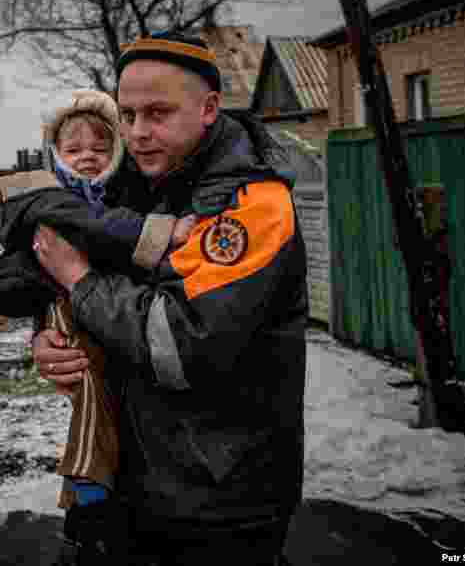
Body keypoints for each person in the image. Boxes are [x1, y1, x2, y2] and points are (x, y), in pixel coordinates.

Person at [26, 32, 308, 565]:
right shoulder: (126, 185)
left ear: (208, 108)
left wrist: (79, 281)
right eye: (128, 114)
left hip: (214, 503)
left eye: (157, 113)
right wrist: (51, 338)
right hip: (120, 481)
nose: (136, 133)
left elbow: (181, 346)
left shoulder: (252, 204)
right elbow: (76, 289)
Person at [0, 90, 195, 564]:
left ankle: (88, 488)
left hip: (121, 336)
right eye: (74, 149)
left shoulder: (126, 190)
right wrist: (41, 318)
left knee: (97, 394)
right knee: (91, 390)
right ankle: (87, 489)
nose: (88, 157)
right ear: (54, 155)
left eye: (100, 148)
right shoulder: (48, 199)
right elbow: (23, 271)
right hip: (79, 313)